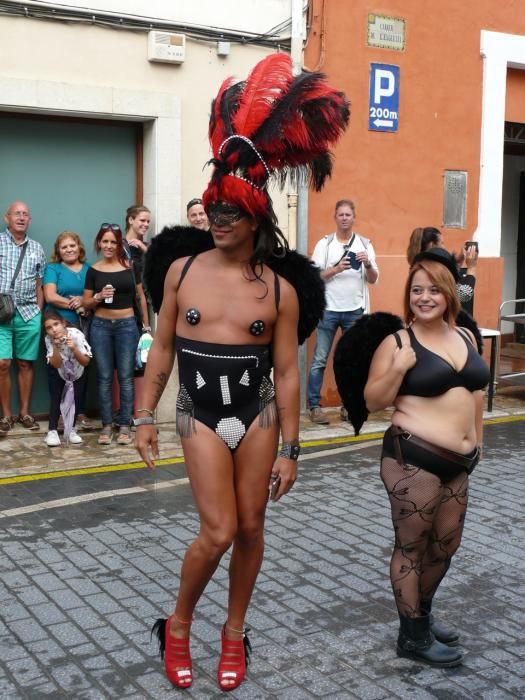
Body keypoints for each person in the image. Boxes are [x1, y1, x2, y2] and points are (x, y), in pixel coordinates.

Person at [136, 53, 349, 691]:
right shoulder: (180, 271)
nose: (220, 221)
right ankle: (177, 624)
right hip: (196, 413)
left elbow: (287, 372)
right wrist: (143, 414)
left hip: (255, 413)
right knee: (220, 528)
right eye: (214, 210)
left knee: (252, 525)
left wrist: (293, 447)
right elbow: (165, 351)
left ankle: (234, 633)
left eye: (231, 213)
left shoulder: (279, 289)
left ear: (256, 217)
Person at [364, 247, 489, 667]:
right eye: (417, 290)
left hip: (459, 463)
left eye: (434, 290)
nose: (425, 297)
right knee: (412, 547)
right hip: (412, 459)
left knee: (446, 546)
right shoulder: (397, 342)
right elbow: (372, 401)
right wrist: (398, 368)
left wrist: (478, 440)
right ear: (409, 296)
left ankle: (421, 613)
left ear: (449, 294)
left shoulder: (467, 337)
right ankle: (411, 636)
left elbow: (475, 392)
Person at [307, 199, 379, 424]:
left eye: (348, 215)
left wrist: (367, 265)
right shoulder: (325, 244)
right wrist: (337, 269)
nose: (345, 218)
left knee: (352, 361)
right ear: (335, 217)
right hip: (328, 310)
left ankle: (349, 406)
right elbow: (314, 277)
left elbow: (374, 279)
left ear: (354, 217)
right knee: (320, 359)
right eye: (341, 215)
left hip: (355, 311)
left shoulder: (365, 244)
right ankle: (315, 407)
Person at [82, 224, 140, 445]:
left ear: (119, 245)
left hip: (127, 326)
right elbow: (86, 303)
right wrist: (98, 296)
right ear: (99, 243)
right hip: (100, 326)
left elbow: (140, 297)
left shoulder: (129, 267)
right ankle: (106, 426)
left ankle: (124, 424)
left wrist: (145, 324)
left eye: (113, 242)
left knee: (125, 378)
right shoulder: (93, 269)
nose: (108, 246)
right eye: (104, 241)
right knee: (104, 378)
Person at [0, 201, 47, 434]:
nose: (21, 217)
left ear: (29, 220)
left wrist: (38, 310)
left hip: (29, 314)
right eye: (16, 213)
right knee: (3, 364)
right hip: (1, 315)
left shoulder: (37, 248)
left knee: (26, 363)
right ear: (7, 218)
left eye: (25, 214)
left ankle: (25, 412)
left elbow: (40, 283)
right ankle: (6, 416)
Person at [43, 231, 93, 430]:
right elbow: (50, 296)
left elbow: (93, 297)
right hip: (57, 327)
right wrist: (77, 305)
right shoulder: (53, 269)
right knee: (58, 371)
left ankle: (78, 412)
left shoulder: (90, 269)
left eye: (72, 245)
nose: (69, 249)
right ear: (58, 251)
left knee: (82, 370)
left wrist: (85, 303)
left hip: (84, 327)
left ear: (79, 247)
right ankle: (61, 415)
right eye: (64, 247)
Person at [43, 311, 91, 446]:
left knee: (75, 399)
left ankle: (71, 430)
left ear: (63, 323)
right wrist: (56, 347)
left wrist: (74, 348)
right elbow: (56, 363)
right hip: (60, 371)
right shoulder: (48, 339)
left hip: (77, 371)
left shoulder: (76, 334)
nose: (53, 329)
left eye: (56, 324)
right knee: (56, 398)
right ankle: (52, 431)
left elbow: (86, 361)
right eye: (49, 328)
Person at [407, 227, 478, 315]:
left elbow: (450, 279)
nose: (444, 247)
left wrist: (459, 260)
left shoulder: (419, 265)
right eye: (442, 243)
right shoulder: (433, 267)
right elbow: (464, 293)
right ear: (432, 245)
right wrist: (472, 267)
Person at [124, 205, 151, 329]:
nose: (146, 224)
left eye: (148, 221)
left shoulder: (147, 247)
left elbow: (161, 267)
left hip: (146, 304)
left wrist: (143, 247)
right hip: (126, 304)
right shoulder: (119, 245)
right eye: (142, 220)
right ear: (131, 220)